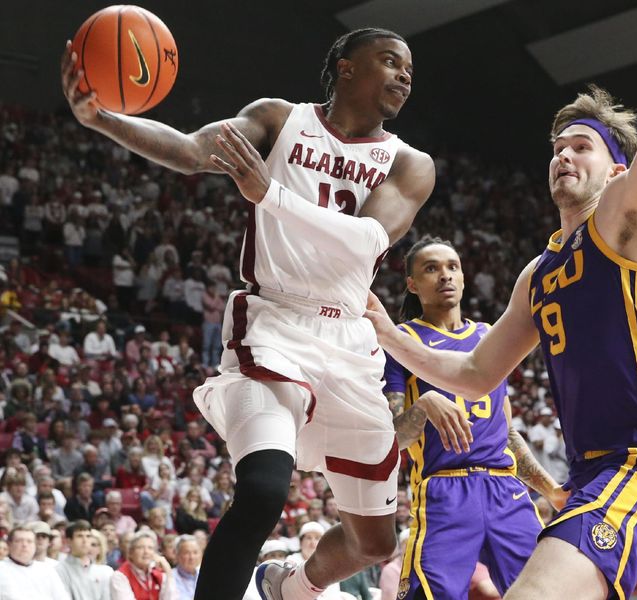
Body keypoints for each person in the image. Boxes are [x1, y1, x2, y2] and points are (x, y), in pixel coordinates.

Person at [62, 24, 434, 600]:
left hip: (349, 343)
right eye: (390, 61)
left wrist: (271, 195)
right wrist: (103, 120)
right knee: (262, 491)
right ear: (347, 66)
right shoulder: (279, 120)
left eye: (409, 68)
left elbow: (367, 240)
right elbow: (189, 152)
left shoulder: (410, 163)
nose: (405, 75)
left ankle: (287, 588)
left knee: (377, 543)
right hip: (275, 324)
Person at [365, 2, 637, 598]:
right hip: (592, 473)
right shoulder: (539, 272)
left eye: (581, 146)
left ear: (617, 170)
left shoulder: (627, 222)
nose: (563, 155)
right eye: (557, 147)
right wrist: (386, 332)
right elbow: (476, 374)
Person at [383, 236, 559, 598]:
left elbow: (506, 432)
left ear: (464, 278)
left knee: (546, 590)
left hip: (504, 488)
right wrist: (424, 405)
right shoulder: (401, 340)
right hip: (444, 490)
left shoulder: (489, 336)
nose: (445, 276)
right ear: (413, 285)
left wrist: (551, 490)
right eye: (431, 269)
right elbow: (389, 440)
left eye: (452, 267)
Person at [0, 524, 70, 600]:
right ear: (9, 544)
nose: (24, 545)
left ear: (35, 545)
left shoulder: (47, 569)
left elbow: (62, 597)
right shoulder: (2, 569)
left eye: (29, 541)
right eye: (19, 541)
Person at [110, 530, 177, 600]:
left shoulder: (159, 574)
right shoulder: (120, 576)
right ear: (130, 553)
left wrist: (168, 572)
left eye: (150, 548)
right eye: (140, 547)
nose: (146, 552)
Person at [55, 520, 112, 600]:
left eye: (88, 536)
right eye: (80, 536)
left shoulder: (104, 571)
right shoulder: (59, 571)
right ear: (69, 541)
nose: (85, 540)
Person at [173, 535, 203, 600]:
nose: (192, 557)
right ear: (177, 555)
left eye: (195, 552)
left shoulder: (206, 575)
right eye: (186, 553)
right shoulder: (170, 577)